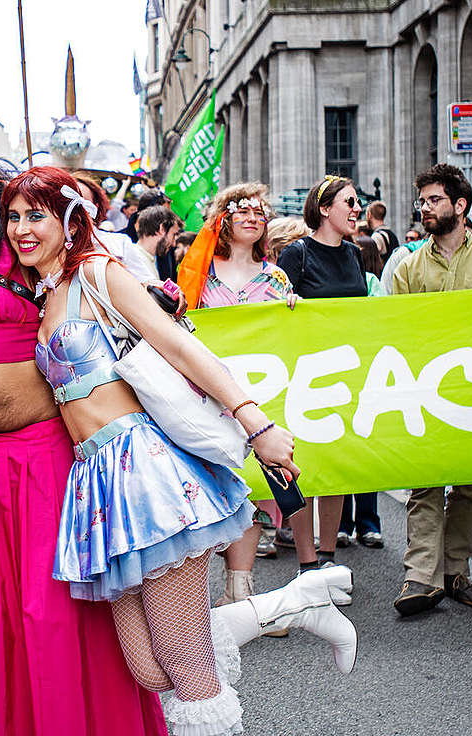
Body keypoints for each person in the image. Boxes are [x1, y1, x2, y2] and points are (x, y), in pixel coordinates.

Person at [7, 166, 357, 736]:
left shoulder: (99, 273)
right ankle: (295, 604)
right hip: (98, 485)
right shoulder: (42, 296)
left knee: (189, 669)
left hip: (147, 474)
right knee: (149, 669)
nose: (23, 229)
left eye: (37, 214)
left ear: (71, 218)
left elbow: (179, 347)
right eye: (15, 217)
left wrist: (254, 423)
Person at [0, 127, 168, 736]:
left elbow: (90, 282)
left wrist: (154, 294)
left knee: (53, 621)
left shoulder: (22, 246)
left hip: (45, 461)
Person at [391, 163, 472, 617]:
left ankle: (455, 572)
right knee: (424, 484)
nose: (424, 208)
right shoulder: (407, 269)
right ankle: (419, 577)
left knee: (469, 488)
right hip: (424, 392)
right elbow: (395, 332)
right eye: (421, 201)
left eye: (434, 200)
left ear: (460, 206)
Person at [173, 182, 302, 611]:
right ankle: (192, 598)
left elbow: (296, 339)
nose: (253, 217)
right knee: (211, 492)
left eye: (260, 213)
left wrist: (296, 312)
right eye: (243, 210)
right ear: (223, 220)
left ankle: (239, 587)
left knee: (251, 492)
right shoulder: (197, 276)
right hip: (207, 399)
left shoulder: (277, 278)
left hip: (262, 401)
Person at [275, 175, 368, 578]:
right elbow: (273, 309)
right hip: (305, 378)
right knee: (306, 467)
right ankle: (306, 562)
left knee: (338, 467)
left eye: (358, 202)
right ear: (325, 208)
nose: (357, 208)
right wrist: (287, 304)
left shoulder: (355, 253)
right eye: (349, 202)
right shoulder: (296, 254)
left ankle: (328, 558)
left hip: (346, 372)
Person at [133, 205, 180, 283]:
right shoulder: (135, 262)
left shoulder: (143, 258)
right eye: (173, 235)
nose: (174, 244)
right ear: (162, 229)